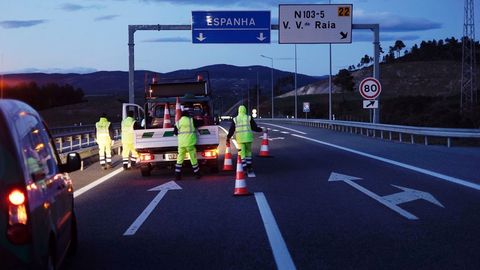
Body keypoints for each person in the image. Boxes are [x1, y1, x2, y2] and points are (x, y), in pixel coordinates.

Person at [226, 105, 263, 175]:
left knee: (242, 154)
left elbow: (231, 130)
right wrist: (261, 130)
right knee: (248, 153)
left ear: (239, 111)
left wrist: (228, 137)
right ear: (245, 110)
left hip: (240, 140)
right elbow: (254, 128)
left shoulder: (235, 119)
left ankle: (244, 167)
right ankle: (249, 167)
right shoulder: (249, 118)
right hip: (248, 139)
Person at [173, 104, 201, 180]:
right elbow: (200, 123)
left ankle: (177, 175)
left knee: (180, 159)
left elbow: (175, 132)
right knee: (193, 158)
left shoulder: (178, 122)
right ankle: (197, 174)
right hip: (190, 143)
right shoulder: (191, 120)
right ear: (188, 115)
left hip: (181, 144)